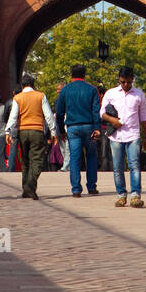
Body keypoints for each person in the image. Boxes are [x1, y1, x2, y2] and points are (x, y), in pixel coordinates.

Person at [100, 66, 146, 208]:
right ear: (119, 80)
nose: (126, 85)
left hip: (133, 134)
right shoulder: (111, 93)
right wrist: (112, 120)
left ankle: (135, 195)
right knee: (118, 167)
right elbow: (102, 113)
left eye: (129, 82)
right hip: (116, 135)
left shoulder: (139, 95)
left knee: (134, 165)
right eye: (123, 82)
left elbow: (143, 117)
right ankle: (121, 195)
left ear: (133, 79)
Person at [5, 74, 56, 199]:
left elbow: (13, 116)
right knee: (37, 160)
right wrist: (53, 131)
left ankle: (26, 189)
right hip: (37, 131)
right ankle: (30, 186)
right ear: (33, 85)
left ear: (22, 86)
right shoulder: (41, 96)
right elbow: (48, 115)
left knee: (25, 160)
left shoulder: (18, 98)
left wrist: (8, 131)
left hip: (22, 131)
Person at [55, 64, 102, 197]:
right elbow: (96, 111)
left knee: (75, 158)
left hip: (72, 127)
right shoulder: (92, 89)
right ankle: (91, 187)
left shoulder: (65, 90)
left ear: (71, 75)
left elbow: (59, 113)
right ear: (84, 75)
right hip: (89, 126)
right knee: (91, 156)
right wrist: (97, 128)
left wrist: (61, 130)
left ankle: (76, 189)